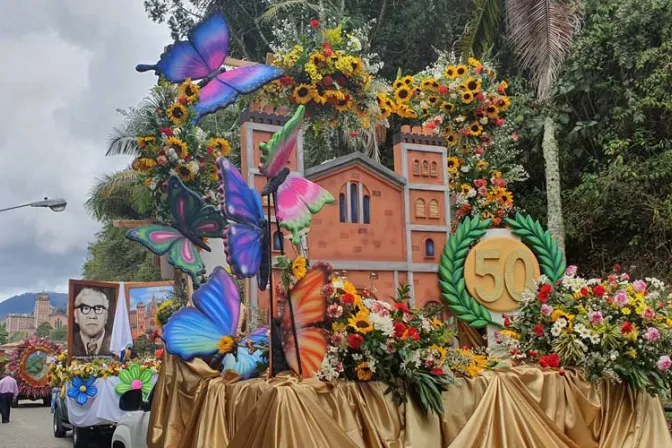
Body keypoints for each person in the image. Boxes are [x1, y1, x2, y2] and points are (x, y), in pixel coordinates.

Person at [72, 288, 112, 357]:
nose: (92, 316)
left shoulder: (115, 343)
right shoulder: (70, 344)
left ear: (106, 316)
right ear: (75, 315)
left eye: (99, 308)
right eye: (85, 308)